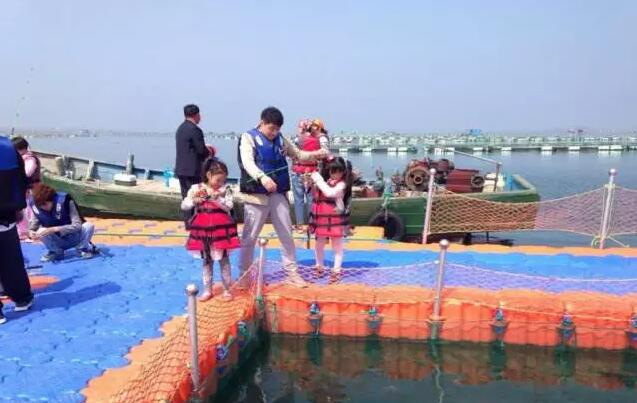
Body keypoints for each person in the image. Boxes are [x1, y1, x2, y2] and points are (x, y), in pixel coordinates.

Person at [238, 106, 327, 287]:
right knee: (249, 238)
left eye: (277, 129)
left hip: (278, 193)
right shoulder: (248, 138)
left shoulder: (280, 138)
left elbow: (299, 154)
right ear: (262, 123)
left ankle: (291, 273)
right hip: (256, 196)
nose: (274, 133)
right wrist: (262, 178)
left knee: (286, 233)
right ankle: (245, 277)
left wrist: (317, 154)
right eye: (271, 128)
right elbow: (247, 162)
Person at [182, 157, 239, 302]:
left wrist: (217, 198)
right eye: (218, 180)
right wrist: (194, 201)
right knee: (207, 261)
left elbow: (229, 206)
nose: (221, 183)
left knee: (224, 260)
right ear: (208, 175)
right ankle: (208, 290)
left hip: (222, 232)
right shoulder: (197, 189)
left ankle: (227, 290)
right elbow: (184, 205)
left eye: (223, 180)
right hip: (203, 232)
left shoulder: (225, 190)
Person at [0, 136, 34, 324]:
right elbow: (22, 180)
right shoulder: (8, 148)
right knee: (12, 262)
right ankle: (22, 298)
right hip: (7, 217)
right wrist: (19, 208)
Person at [309, 156, 353, 281]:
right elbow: (316, 194)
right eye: (333, 171)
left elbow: (330, 193)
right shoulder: (326, 182)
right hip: (322, 218)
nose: (336, 174)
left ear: (343, 172)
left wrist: (318, 179)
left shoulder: (342, 185)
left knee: (337, 247)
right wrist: (310, 182)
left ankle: (336, 271)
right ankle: (319, 267)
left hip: (335, 219)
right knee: (319, 245)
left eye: (339, 171)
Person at [28, 183, 96, 262]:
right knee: (41, 231)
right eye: (40, 206)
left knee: (89, 226)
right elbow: (34, 224)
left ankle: (82, 248)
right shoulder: (37, 207)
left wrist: (55, 229)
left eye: (45, 204)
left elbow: (77, 225)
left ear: (52, 200)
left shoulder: (66, 202)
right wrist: (31, 231)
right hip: (57, 241)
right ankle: (56, 251)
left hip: (75, 237)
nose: (43, 207)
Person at [174, 104, 211, 227]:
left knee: (186, 197)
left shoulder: (180, 129)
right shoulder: (195, 130)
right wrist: (209, 151)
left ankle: (188, 223)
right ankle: (197, 223)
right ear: (197, 115)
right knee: (197, 196)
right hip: (193, 171)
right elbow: (201, 150)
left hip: (181, 169)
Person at [290, 119, 329, 234]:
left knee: (298, 200)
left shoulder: (298, 140)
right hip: (312, 173)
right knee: (312, 200)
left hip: (298, 172)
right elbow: (324, 154)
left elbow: (291, 153)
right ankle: (312, 225)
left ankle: (300, 225)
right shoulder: (320, 139)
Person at [11, 136, 41, 239]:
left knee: (29, 211)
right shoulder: (19, 158)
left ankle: (27, 232)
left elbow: (27, 173)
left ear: (22, 148)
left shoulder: (30, 159)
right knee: (21, 210)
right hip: (22, 190)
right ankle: (22, 231)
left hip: (31, 190)